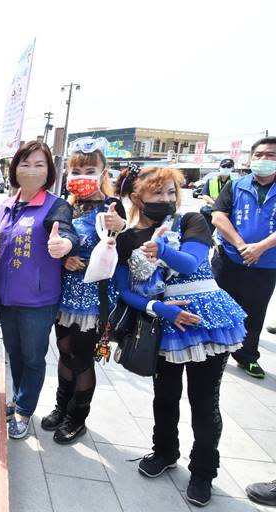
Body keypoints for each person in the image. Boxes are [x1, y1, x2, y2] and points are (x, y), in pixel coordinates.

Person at [114, 166, 246, 508]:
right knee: (165, 395)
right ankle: (164, 452)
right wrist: (160, 308)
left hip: (207, 319)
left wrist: (162, 249)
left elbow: (190, 264)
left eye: (171, 192)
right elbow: (123, 290)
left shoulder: (191, 221)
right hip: (165, 323)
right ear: (137, 197)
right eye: (157, 193)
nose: (166, 200)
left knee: (204, 401)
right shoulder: (127, 238)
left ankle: (203, 471)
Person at [42, 137, 127, 444]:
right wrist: (66, 258)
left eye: (90, 168)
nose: (82, 174)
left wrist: (120, 227)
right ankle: (60, 407)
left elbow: (120, 249)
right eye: (77, 169)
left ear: (103, 171)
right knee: (63, 352)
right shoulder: (66, 206)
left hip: (93, 298)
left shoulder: (112, 209)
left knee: (81, 358)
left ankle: (78, 417)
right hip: (63, 293)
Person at [0, 141, 79, 440]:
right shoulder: (5, 205)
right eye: (25, 163)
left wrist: (65, 244)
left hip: (37, 300)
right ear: (15, 168)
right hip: (6, 298)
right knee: (14, 353)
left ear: (49, 172)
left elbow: (66, 231)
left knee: (32, 357)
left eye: (39, 164)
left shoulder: (56, 205)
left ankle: (24, 410)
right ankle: (18, 396)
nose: (31, 170)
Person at [212, 136, 276, 379]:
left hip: (265, 263)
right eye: (259, 155)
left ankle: (247, 356)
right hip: (228, 259)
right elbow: (218, 216)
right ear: (251, 158)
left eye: (270, 155)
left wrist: (259, 248)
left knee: (255, 311)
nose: (263, 160)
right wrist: (241, 245)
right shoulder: (237, 185)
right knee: (218, 304)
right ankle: (214, 349)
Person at [199, 158, 235, 231]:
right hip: (213, 209)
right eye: (224, 166)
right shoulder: (211, 180)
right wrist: (215, 204)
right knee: (207, 230)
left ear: (232, 168)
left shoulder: (236, 181)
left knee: (225, 233)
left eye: (229, 167)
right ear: (219, 167)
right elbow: (205, 195)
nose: (226, 169)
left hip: (228, 212)